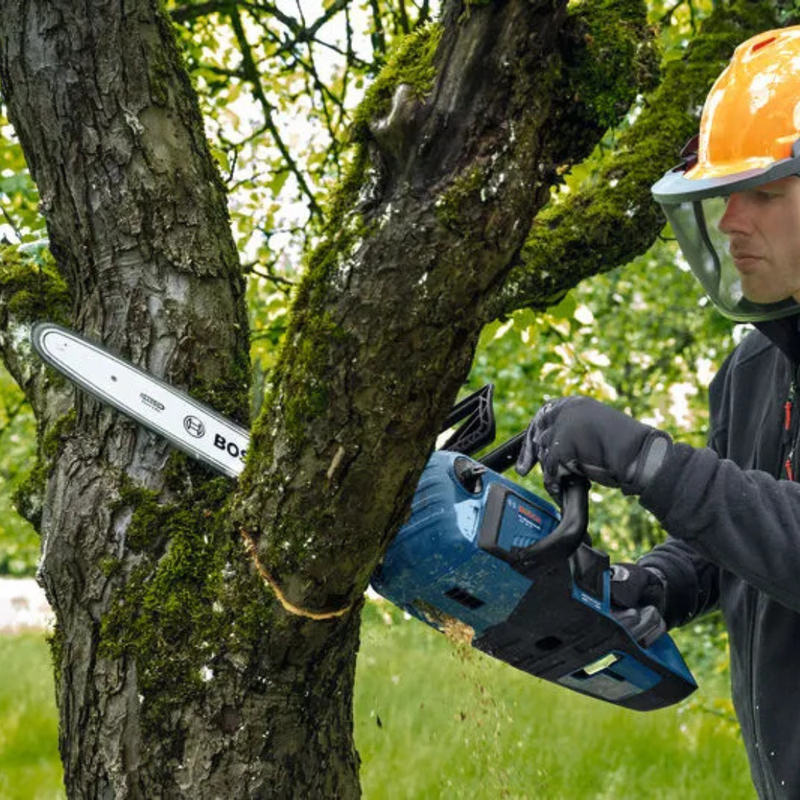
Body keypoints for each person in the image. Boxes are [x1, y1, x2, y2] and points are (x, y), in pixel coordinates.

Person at [514, 25, 800, 800]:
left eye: (763, 193)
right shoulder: (753, 368)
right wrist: (655, 583)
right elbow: (738, 537)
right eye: (724, 194)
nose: (732, 220)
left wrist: (652, 463)